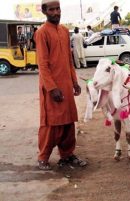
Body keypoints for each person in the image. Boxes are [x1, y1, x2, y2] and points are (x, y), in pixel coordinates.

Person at [35, 0, 87, 170]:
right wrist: (51, 88)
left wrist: (74, 81)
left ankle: (67, 155)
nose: (56, 12)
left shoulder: (65, 31)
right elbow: (42, 64)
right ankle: (43, 157)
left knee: (68, 122)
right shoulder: (42, 33)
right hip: (52, 88)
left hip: (65, 85)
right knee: (51, 124)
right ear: (45, 11)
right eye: (52, 9)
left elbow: (69, 60)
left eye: (58, 9)